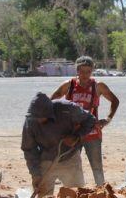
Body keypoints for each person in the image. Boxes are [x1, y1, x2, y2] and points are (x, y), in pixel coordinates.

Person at [51, 56, 119, 186]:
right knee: (71, 165)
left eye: (88, 72)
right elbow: (52, 101)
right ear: (77, 71)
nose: (85, 75)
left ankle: (101, 191)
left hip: (92, 133)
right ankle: (75, 191)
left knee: (97, 166)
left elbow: (115, 101)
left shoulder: (98, 86)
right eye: (82, 71)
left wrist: (107, 119)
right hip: (72, 134)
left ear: (92, 71)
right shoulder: (69, 85)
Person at [21, 92, 96, 196]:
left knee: (77, 195)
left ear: (49, 112)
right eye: (36, 117)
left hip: (70, 157)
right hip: (46, 159)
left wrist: (76, 136)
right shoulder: (30, 121)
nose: (38, 120)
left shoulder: (67, 108)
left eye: (41, 117)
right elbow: (29, 149)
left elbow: (90, 119)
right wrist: (35, 174)